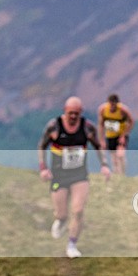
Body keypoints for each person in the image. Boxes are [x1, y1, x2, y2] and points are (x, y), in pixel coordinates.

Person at [39, 96, 111, 258]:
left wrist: (104, 165)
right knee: (61, 214)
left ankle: (72, 244)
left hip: (79, 175)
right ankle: (61, 220)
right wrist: (43, 168)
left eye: (76, 114)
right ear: (65, 111)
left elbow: (98, 146)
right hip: (59, 176)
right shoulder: (54, 127)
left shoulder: (87, 128)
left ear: (81, 113)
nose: (73, 117)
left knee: (78, 211)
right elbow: (42, 146)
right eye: (70, 113)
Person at [97, 93, 134, 175]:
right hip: (110, 135)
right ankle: (116, 175)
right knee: (114, 158)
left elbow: (131, 122)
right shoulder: (103, 109)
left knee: (120, 155)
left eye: (114, 105)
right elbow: (100, 125)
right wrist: (101, 139)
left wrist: (124, 135)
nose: (112, 107)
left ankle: (123, 174)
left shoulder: (123, 110)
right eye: (111, 104)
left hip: (121, 135)